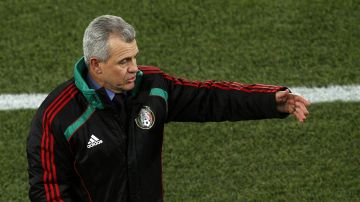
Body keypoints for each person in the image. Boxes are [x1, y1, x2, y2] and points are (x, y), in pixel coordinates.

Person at [27, 15, 310, 202]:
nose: (134, 69)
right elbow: (48, 191)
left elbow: (208, 99)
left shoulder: (152, 86)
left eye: (135, 57)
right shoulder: (58, 117)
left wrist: (269, 100)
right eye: (124, 61)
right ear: (96, 65)